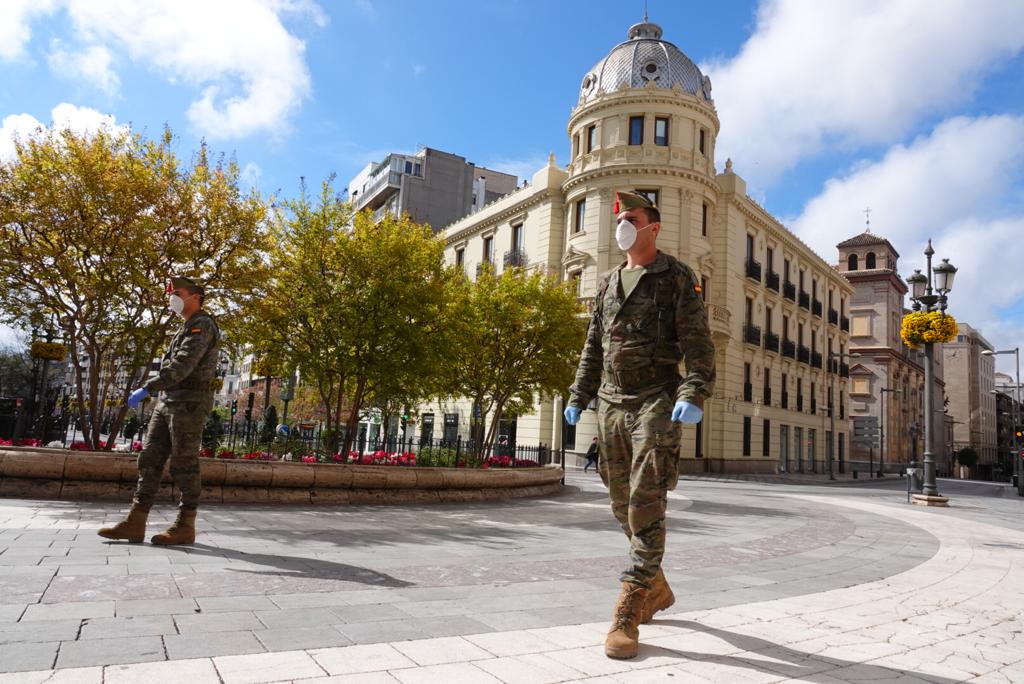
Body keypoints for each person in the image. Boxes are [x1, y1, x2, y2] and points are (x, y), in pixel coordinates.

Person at [564, 190, 716, 659]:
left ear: (653, 227)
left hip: (655, 399)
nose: (622, 226)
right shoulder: (610, 282)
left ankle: (628, 613)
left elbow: (699, 344)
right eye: (619, 219)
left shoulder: (675, 277)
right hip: (609, 403)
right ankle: (657, 586)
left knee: (645, 500)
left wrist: (692, 393)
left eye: (630, 218)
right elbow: (593, 346)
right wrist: (578, 395)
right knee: (619, 502)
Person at [98, 276, 220, 546]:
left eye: (178, 293)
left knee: (184, 463)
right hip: (168, 400)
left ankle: (185, 524)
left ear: (195, 297)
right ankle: (136, 520)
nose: (173, 298)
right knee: (150, 458)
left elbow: (183, 366)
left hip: (189, 402)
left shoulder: (203, 325)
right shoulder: (185, 327)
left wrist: (149, 387)